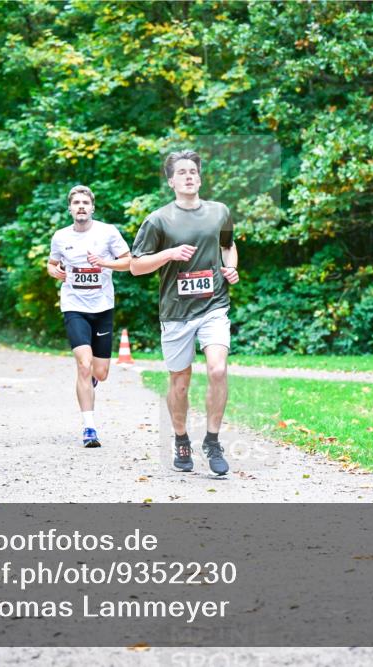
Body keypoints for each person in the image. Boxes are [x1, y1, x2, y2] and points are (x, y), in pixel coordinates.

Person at [130, 150, 239, 476]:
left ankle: (213, 440)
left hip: (213, 306)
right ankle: (180, 439)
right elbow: (136, 266)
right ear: (171, 181)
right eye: (182, 172)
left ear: (200, 177)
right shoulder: (158, 220)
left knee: (218, 370)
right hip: (176, 312)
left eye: (193, 171)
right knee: (180, 383)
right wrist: (169, 254)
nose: (189, 176)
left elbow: (228, 246)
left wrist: (230, 268)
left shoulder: (220, 212)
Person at [48, 185, 131, 448]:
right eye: (76, 203)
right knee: (83, 365)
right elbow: (51, 264)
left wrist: (104, 263)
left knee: (101, 373)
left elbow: (128, 261)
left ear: (92, 207)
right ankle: (89, 428)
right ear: (70, 208)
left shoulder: (107, 232)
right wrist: (56, 272)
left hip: (102, 307)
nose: (81, 206)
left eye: (85, 202)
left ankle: (91, 379)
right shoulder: (61, 237)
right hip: (74, 306)